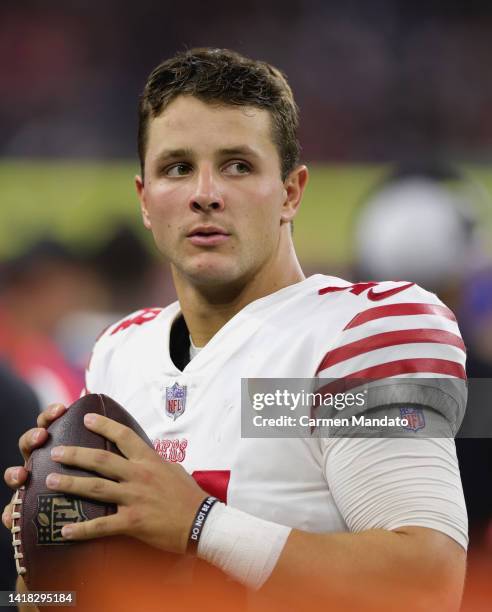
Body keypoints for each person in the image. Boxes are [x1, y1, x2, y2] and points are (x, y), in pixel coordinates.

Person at [3, 48, 468, 611]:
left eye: (238, 165)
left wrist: (200, 524)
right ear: (144, 199)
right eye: (177, 167)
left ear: (291, 192)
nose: (205, 193)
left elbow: (428, 586)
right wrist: (45, 567)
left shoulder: (355, 334)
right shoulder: (120, 353)